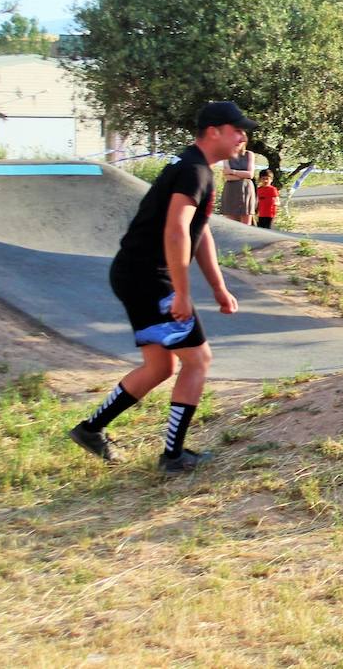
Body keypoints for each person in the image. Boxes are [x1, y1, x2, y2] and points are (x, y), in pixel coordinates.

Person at [68, 100, 256, 474]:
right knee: (198, 361)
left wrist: (218, 286)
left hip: (133, 273)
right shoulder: (193, 171)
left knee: (160, 365)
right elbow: (175, 230)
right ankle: (173, 456)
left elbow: (199, 234)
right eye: (237, 130)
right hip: (149, 277)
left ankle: (91, 429)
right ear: (214, 131)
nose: (243, 138)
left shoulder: (195, 168)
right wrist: (183, 293)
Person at [221, 148, 257, 223]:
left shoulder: (249, 154)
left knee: (246, 225)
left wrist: (232, 171)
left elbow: (250, 174)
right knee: (231, 224)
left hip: (246, 189)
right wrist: (243, 175)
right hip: (231, 190)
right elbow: (227, 176)